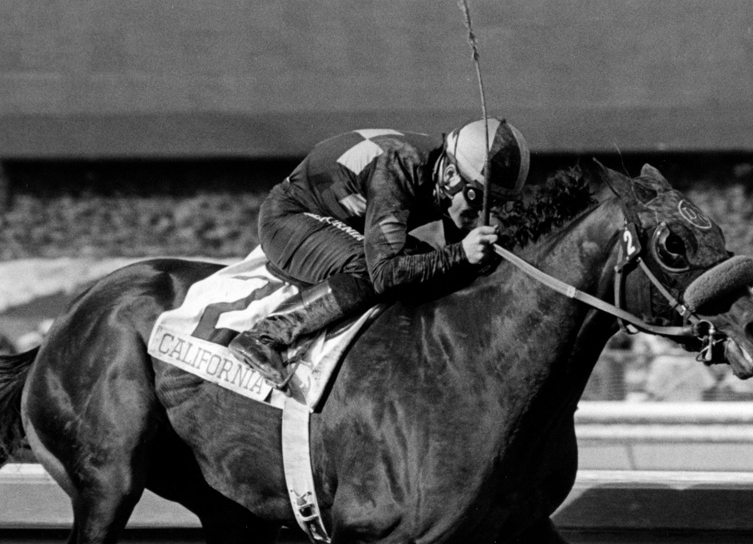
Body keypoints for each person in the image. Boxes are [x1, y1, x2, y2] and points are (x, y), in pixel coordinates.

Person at [227, 117, 530, 387]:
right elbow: (385, 273)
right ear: (450, 175)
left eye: (497, 204)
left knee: (429, 265)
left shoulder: (443, 171)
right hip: (289, 218)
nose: (483, 214)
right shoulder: (399, 168)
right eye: (479, 200)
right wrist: (461, 254)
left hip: (343, 220)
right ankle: (265, 335)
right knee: (370, 269)